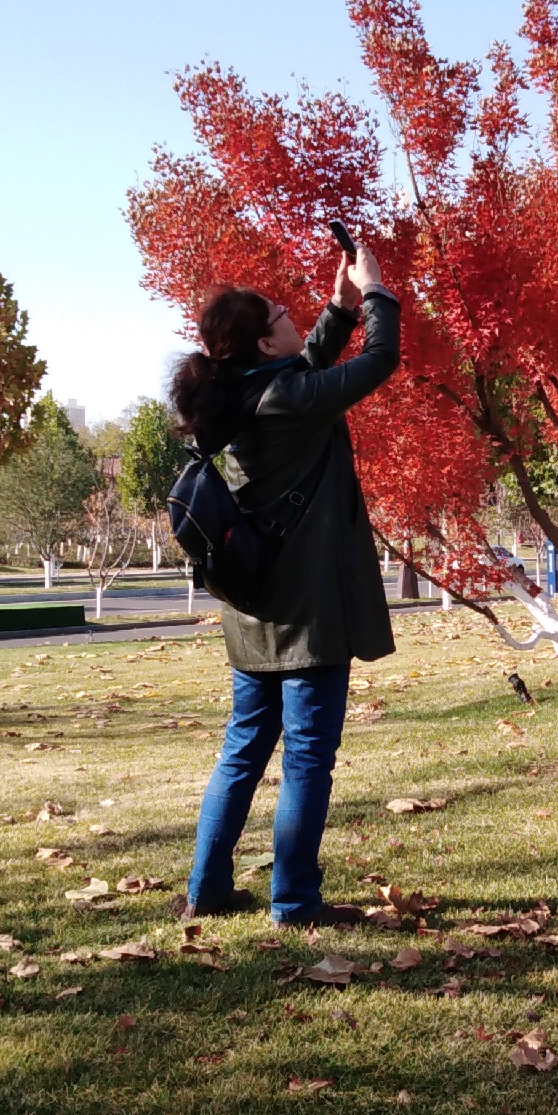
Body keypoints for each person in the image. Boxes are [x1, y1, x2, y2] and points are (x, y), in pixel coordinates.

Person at [170, 242, 399, 924]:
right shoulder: (288, 398)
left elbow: (300, 369)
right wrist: (377, 291)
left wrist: (339, 303)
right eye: (280, 312)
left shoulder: (236, 396)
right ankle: (295, 902)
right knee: (306, 761)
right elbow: (378, 361)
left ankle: (206, 892)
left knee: (242, 751)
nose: (291, 313)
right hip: (308, 617)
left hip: (253, 612)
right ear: (264, 339)